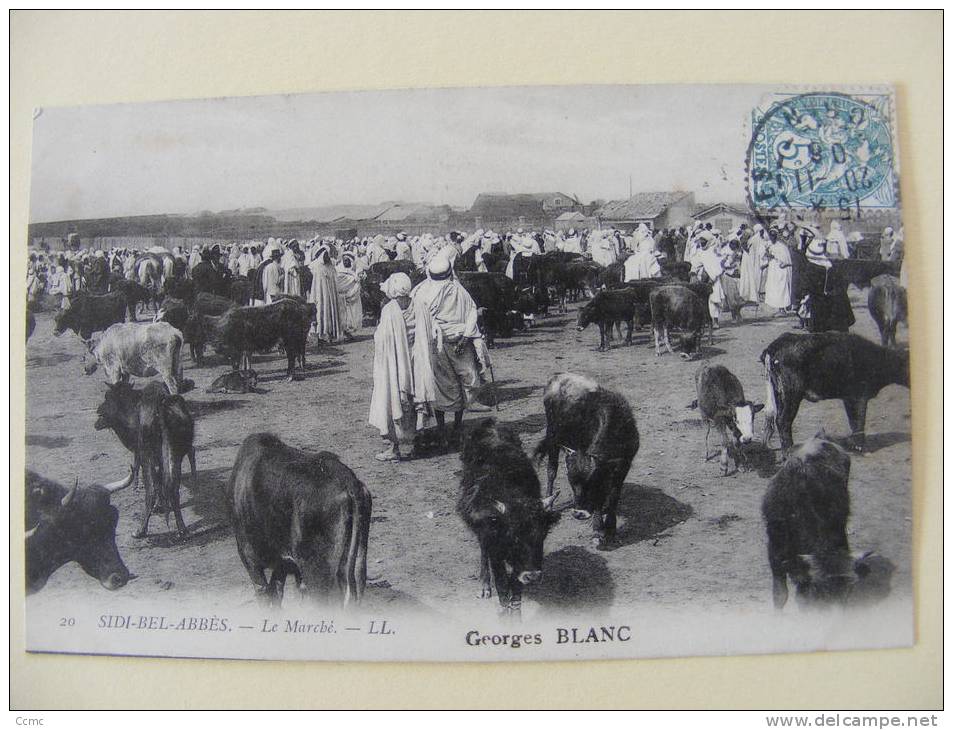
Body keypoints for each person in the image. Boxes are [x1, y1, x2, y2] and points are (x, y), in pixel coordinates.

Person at [411, 254, 491, 448]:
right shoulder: (458, 290)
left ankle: (445, 428)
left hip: (438, 344)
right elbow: (472, 314)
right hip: (455, 343)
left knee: (442, 384)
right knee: (465, 380)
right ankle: (454, 426)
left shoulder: (421, 292)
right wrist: (465, 338)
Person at [369, 273, 418, 462]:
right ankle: (413, 443)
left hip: (393, 364)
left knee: (391, 400)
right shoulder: (417, 306)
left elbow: (382, 338)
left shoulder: (389, 310)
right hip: (413, 361)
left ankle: (394, 448)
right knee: (412, 402)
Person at [308, 244, 341, 343]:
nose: (327, 257)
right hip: (321, 296)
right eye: (326, 255)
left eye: (328, 256)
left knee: (331, 314)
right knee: (321, 314)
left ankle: (330, 335)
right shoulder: (318, 268)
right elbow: (316, 286)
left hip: (331, 297)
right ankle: (320, 336)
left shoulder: (331, 267)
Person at [762, 229, 794, 313]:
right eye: (771, 236)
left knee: (781, 288)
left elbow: (785, 260)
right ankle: (778, 308)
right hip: (773, 270)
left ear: (776, 236)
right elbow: (766, 257)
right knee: (773, 288)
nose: (772, 237)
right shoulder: (769, 245)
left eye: (773, 236)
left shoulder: (782, 247)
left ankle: (782, 308)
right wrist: (767, 255)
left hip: (780, 270)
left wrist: (773, 256)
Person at [336, 252, 364, 338]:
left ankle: (349, 332)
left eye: (347, 260)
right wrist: (353, 279)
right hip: (341, 297)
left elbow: (358, 280)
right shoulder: (338, 270)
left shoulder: (355, 271)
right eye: (344, 260)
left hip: (353, 298)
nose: (346, 262)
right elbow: (339, 283)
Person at [739, 223, 768, 303]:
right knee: (748, 276)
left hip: (754, 259)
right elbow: (745, 246)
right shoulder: (754, 238)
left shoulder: (758, 238)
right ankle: (748, 295)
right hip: (749, 259)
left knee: (753, 277)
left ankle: (753, 295)